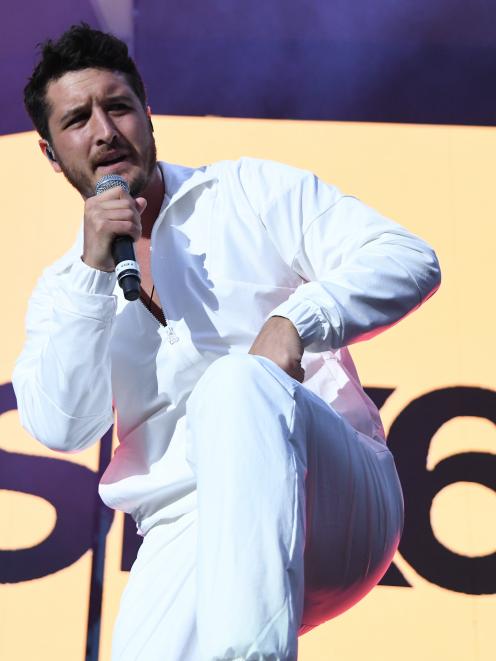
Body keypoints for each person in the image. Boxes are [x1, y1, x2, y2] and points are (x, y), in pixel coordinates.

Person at [14, 23, 440, 661]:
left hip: (331, 494)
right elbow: (60, 425)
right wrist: (92, 273)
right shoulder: (62, 291)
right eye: (77, 119)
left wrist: (296, 322)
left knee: (236, 383)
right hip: (187, 529)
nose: (104, 131)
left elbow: (408, 257)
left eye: (120, 107)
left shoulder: (247, 191)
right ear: (50, 153)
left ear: (148, 117)